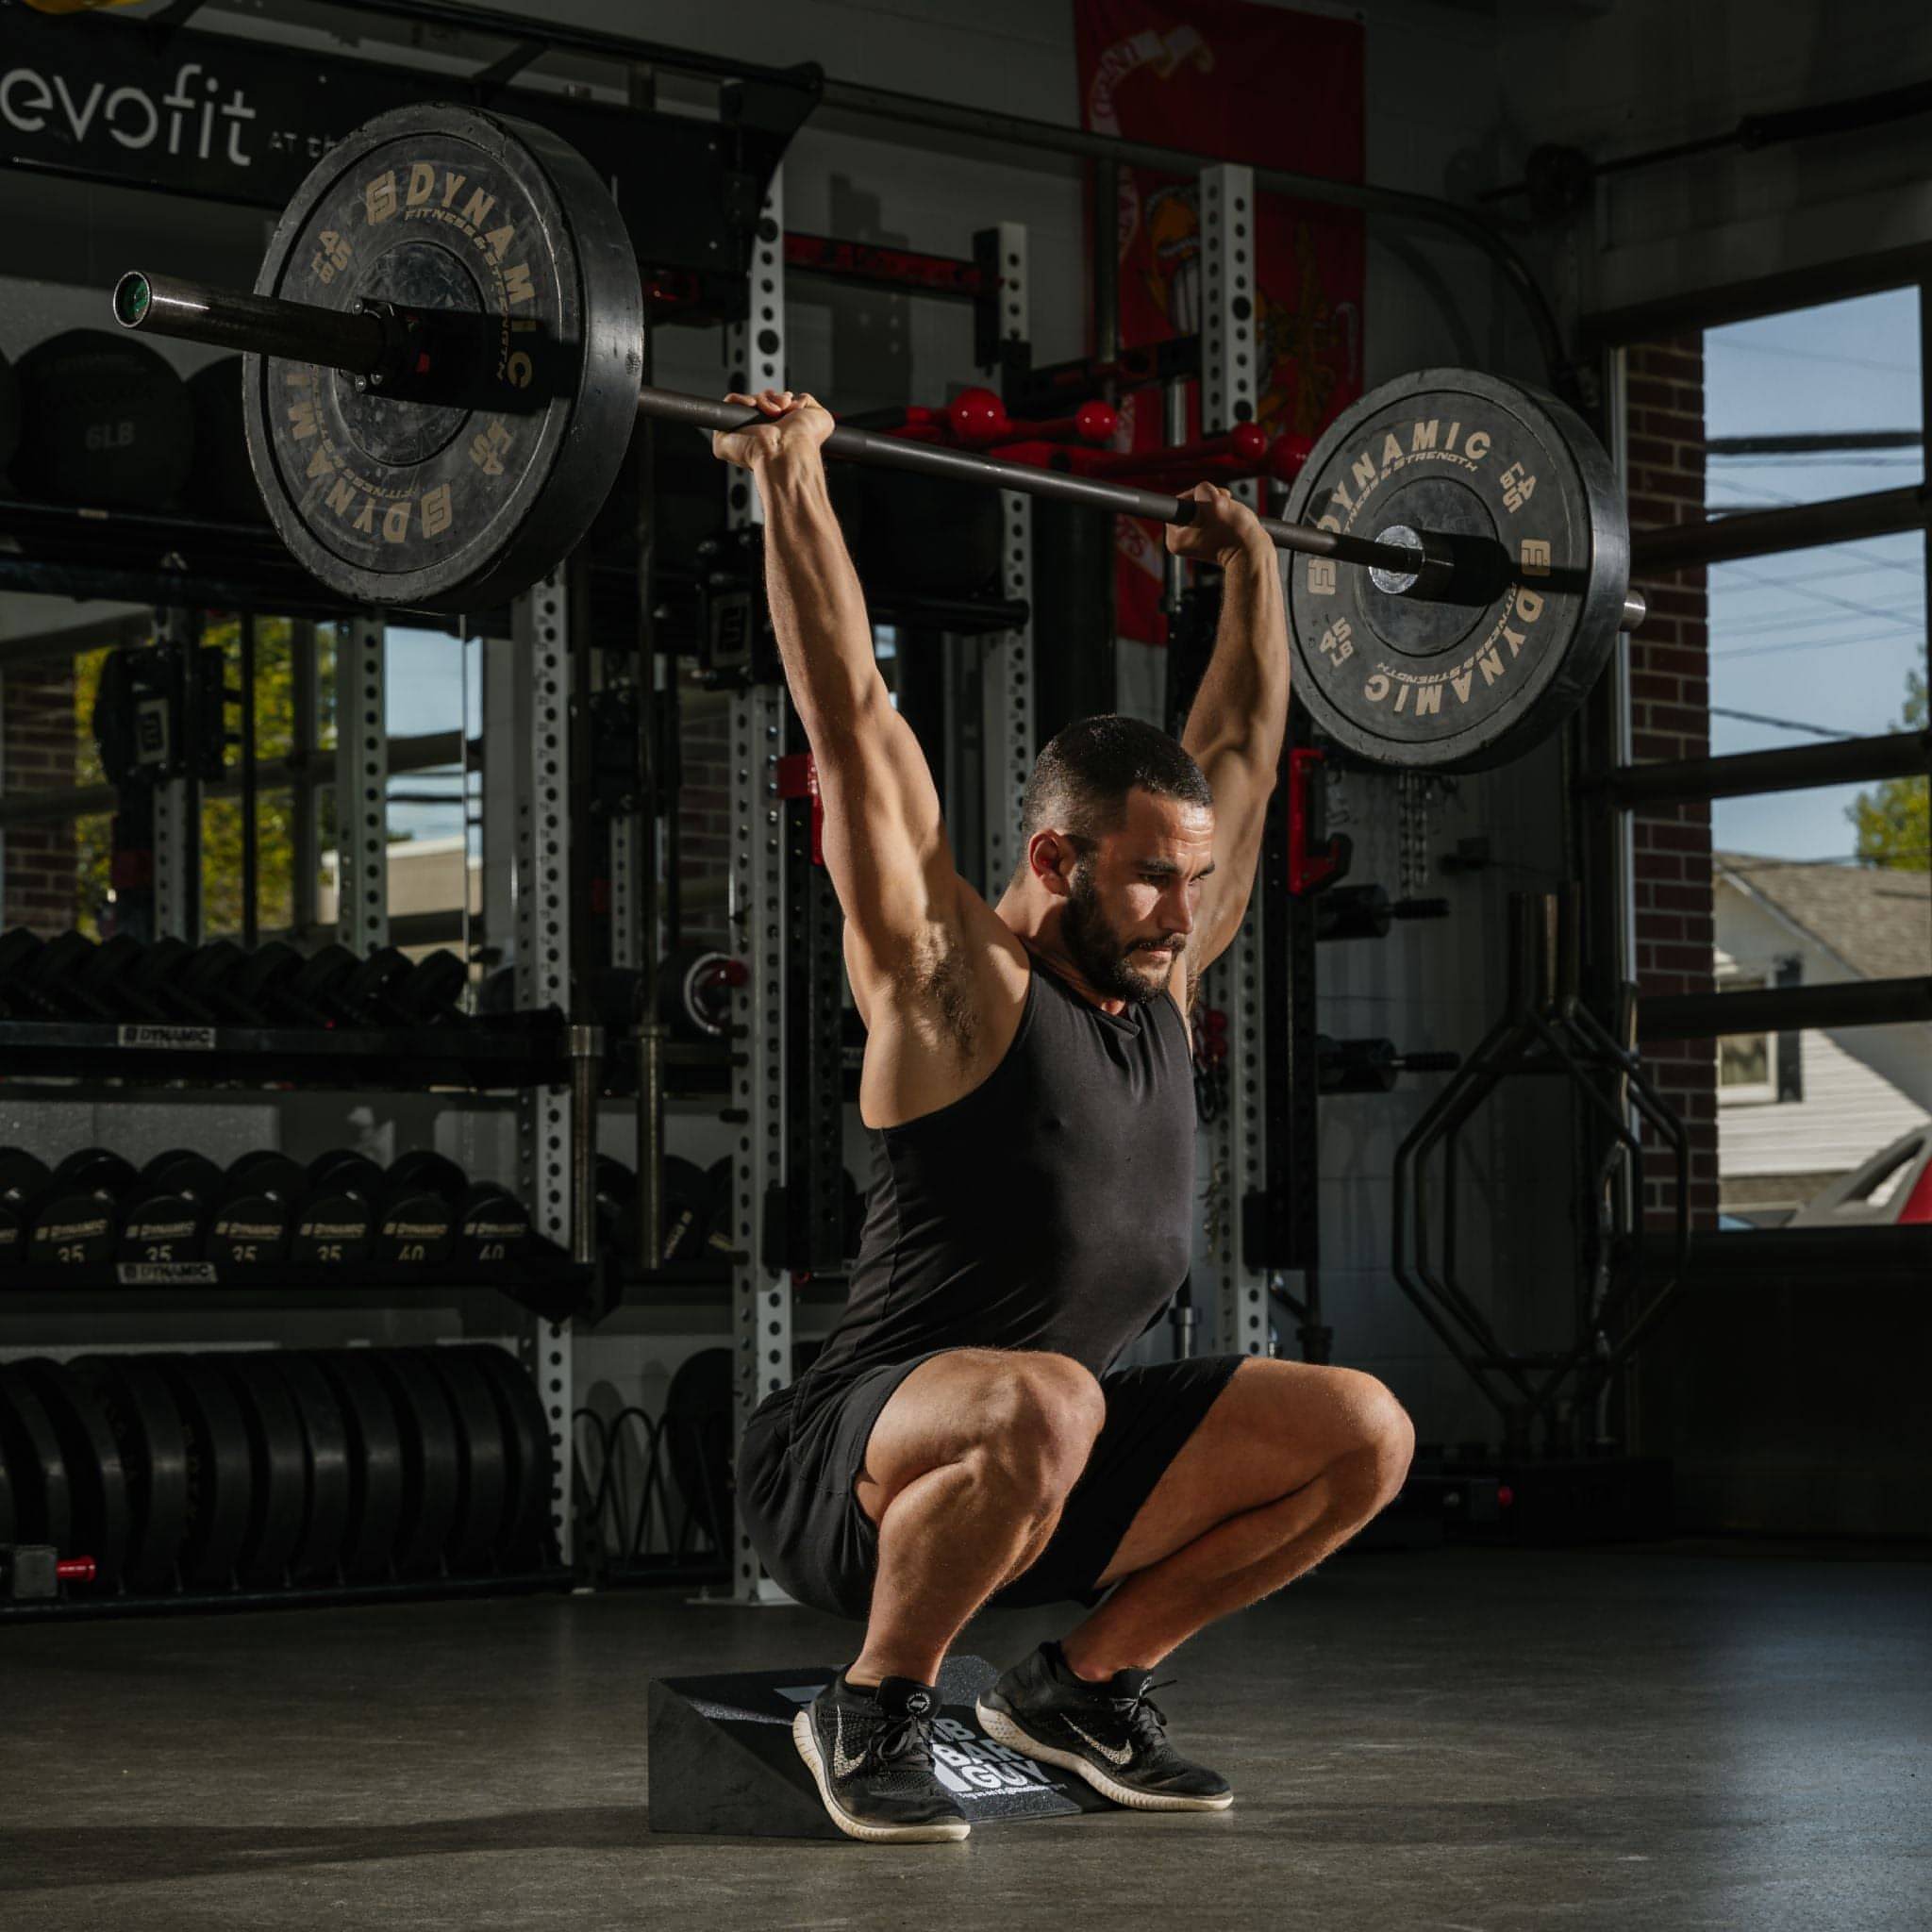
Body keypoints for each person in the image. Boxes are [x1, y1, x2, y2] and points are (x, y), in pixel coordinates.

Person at [712, 390, 1414, 1845]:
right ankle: (878, 1704)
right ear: (1056, 856)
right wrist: (793, 482)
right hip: (849, 1468)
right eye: (1155, 878)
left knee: (1365, 1430)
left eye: (1198, 879)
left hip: (1048, 1458)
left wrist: (1256, 573)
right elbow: (853, 721)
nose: (1186, 911)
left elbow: (1238, 738)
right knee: (1055, 1393)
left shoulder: (1159, 971)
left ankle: (1082, 1691)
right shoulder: (957, 986)